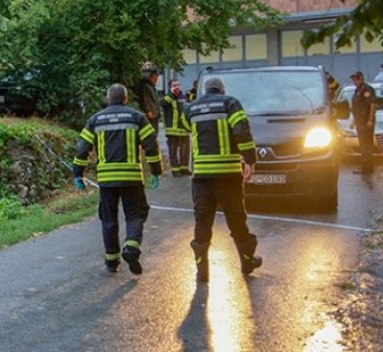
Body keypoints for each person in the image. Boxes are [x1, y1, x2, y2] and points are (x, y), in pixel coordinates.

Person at [72, 84, 162, 275]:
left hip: (106, 180)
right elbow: (151, 146)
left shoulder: (95, 120)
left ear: (107, 98)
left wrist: (77, 173)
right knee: (136, 214)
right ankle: (131, 246)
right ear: (125, 99)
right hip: (131, 178)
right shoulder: (137, 117)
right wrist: (155, 171)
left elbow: (82, 148)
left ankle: (112, 260)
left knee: (108, 218)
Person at [181, 77, 262, 282]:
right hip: (228, 174)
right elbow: (242, 132)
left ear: (205, 90)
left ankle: (202, 271)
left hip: (201, 176)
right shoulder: (230, 103)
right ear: (222, 89)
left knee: (202, 221)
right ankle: (247, 261)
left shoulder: (192, 108)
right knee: (236, 219)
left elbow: (185, 125)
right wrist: (250, 161)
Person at [160, 79, 191, 177]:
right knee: (173, 151)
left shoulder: (184, 97)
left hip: (184, 129)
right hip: (172, 130)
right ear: (170, 87)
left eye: (178, 85)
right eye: (174, 85)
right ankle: (175, 170)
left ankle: (184, 168)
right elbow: (163, 104)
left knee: (185, 151)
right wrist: (172, 94)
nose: (177, 87)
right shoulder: (167, 97)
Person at [349, 71, 377, 175]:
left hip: (365, 122)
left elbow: (372, 104)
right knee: (364, 145)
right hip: (360, 122)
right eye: (353, 79)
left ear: (362, 78)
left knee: (366, 146)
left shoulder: (367, 89)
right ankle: (366, 166)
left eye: (357, 79)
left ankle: (367, 168)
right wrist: (353, 122)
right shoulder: (357, 91)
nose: (355, 81)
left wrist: (370, 120)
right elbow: (357, 109)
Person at [138, 67, 161, 132]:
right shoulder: (146, 86)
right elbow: (145, 99)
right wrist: (148, 110)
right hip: (151, 113)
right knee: (152, 132)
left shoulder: (152, 87)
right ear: (150, 77)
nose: (156, 80)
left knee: (155, 131)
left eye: (156, 79)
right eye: (154, 78)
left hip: (155, 113)